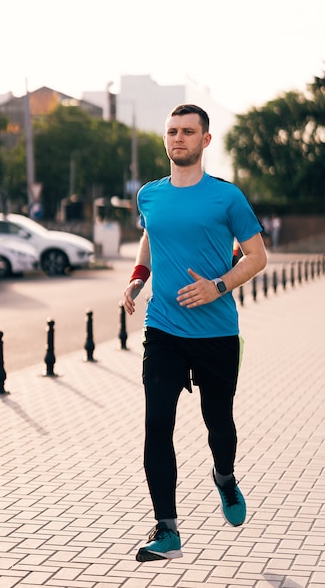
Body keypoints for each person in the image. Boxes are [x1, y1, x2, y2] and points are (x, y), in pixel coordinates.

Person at [123, 104, 267, 563]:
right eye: (171, 131)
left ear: (205, 140)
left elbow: (257, 257)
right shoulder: (150, 195)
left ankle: (224, 476)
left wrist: (217, 287)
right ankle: (167, 530)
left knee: (218, 425)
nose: (178, 138)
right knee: (156, 427)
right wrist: (137, 278)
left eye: (188, 131)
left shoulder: (227, 198)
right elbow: (151, 236)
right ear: (164, 139)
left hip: (217, 333)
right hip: (162, 328)